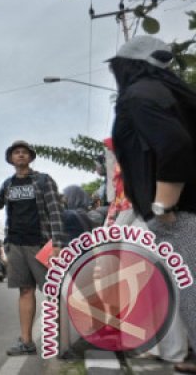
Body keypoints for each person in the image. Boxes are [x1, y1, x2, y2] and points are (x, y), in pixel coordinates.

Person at [107, 36, 196, 373]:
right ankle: (178, 351)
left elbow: (174, 145)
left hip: (177, 213)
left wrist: (163, 208)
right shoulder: (173, 92)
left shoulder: (138, 94)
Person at [0, 140, 66, 356]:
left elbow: (55, 212)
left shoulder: (44, 180)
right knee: (25, 290)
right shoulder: (8, 184)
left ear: (30, 157)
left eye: (24, 152)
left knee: (54, 291)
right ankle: (26, 342)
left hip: (40, 243)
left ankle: (65, 339)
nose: (20, 155)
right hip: (16, 244)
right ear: (10, 159)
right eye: (16, 153)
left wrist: (57, 244)